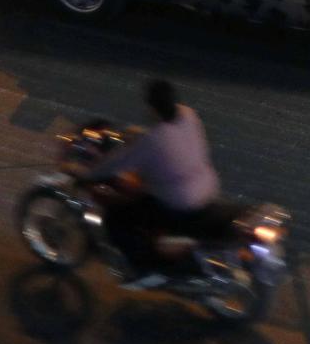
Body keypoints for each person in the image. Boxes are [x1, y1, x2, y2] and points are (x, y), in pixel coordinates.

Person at [72, 79, 222, 289]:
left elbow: (119, 163)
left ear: (151, 107)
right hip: (208, 188)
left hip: (179, 201)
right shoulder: (189, 115)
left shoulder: (154, 140)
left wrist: (89, 175)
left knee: (118, 218)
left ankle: (144, 269)